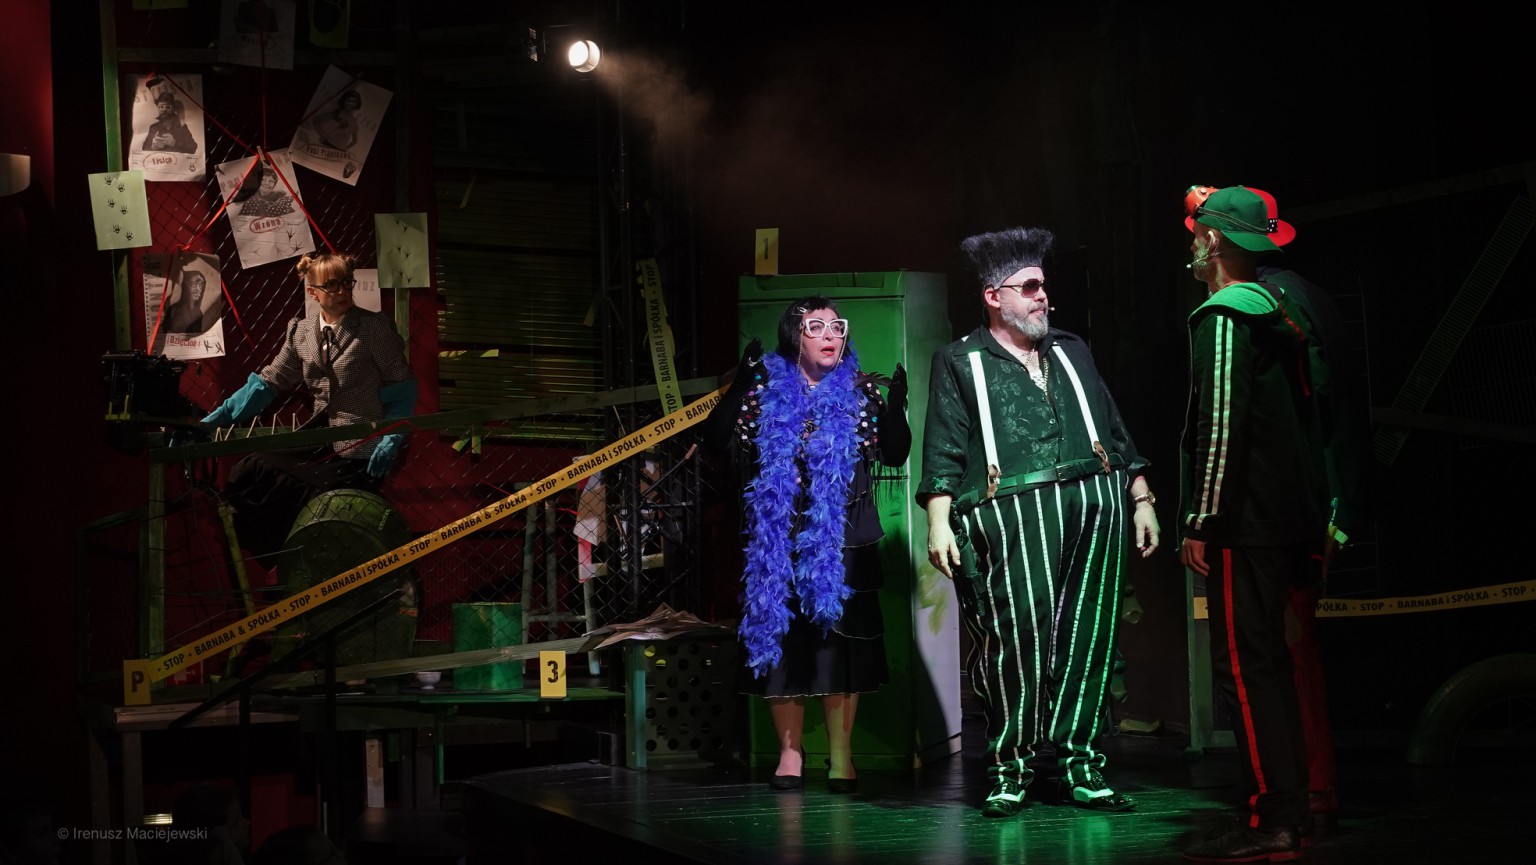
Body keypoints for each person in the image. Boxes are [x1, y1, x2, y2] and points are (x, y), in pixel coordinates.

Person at [918, 226, 1159, 818]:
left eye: (1043, 286)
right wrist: (939, 523)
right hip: (1013, 510)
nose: (1042, 296)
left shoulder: (1072, 348)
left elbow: (1113, 425)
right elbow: (944, 447)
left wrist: (1141, 497)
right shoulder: (961, 360)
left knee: (1090, 634)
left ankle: (1082, 765)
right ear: (993, 296)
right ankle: (1012, 767)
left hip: (1095, 500)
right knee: (1016, 639)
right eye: (1028, 287)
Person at [1184, 184, 1372, 822]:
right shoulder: (1286, 306)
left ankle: (1276, 815)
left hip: (1247, 522)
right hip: (1296, 515)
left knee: (1247, 667)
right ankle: (1300, 802)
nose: (1192, 245)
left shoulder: (1228, 314)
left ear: (1213, 241)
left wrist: (1200, 519)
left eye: (1197, 235)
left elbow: (1219, 428)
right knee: (1280, 662)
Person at [701, 296, 910, 793]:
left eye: (837, 327)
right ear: (794, 336)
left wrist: (897, 407)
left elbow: (896, 453)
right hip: (778, 539)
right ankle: (790, 754)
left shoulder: (859, 393)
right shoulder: (765, 392)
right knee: (782, 640)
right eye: (816, 327)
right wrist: (739, 386)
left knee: (841, 648)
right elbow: (714, 443)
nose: (830, 335)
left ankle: (840, 755)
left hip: (844, 540)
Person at [201, 251, 416, 556]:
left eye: (346, 282)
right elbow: (271, 380)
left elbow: (402, 387)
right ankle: (279, 558)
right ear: (313, 292)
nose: (342, 291)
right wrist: (221, 416)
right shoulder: (302, 332)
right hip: (320, 436)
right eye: (331, 285)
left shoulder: (373, 328)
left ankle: (304, 558)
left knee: (316, 501)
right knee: (252, 470)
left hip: (361, 442)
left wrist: (390, 436)